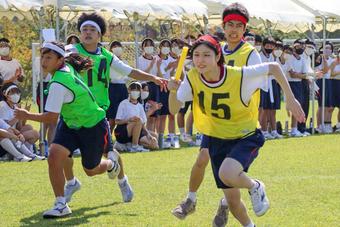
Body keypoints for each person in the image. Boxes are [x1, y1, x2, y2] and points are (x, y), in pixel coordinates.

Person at [168, 34, 305, 227]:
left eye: (206, 55)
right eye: (196, 55)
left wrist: (290, 99)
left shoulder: (238, 74)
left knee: (227, 173)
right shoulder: (192, 77)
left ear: (217, 56)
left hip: (245, 136)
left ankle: (255, 186)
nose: (200, 60)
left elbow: (274, 68)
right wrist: (173, 90)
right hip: (217, 139)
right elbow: (174, 109)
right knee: (232, 200)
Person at [171, 3, 262, 226]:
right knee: (203, 158)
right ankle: (191, 199)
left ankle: (225, 201)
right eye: (229, 24)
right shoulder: (212, 50)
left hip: (239, 124)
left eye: (238, 26)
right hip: (213, 121)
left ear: (245, 29)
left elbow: (253, 88)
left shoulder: (250, 54)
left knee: (227, 174)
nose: (233, 29)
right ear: (223, 25)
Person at [14, 42, 121, 218]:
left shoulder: (58, 83)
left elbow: (50, 118)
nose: (44, 61)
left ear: (59, 60)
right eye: (43, 57)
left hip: (93, 126)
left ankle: (111, 164)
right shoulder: (64, 68)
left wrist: (25, 114)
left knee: (91, 170)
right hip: (72, 124)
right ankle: (61, 204)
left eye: (49, 57)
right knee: (54, 156)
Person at [72, 13, 167, 203]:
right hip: (73, 110)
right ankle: (67, 186)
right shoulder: (71, 51)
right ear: (79, 33)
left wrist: (152, 78)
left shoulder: (107, 56)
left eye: (92, 30)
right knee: (60, 151)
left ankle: (123, 180)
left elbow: (130, 71)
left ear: (100, 35)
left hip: (97, 112)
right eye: (84, 30)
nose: (88, 33)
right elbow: (53, 56)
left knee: (108, 151)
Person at [114, 82, 158, 151]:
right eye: (134, 90)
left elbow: (142, 124)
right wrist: (128, 120)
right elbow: (117, 121)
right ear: (129, 90)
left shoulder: (140, 106)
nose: (136, 92)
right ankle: (134, 146)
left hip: (137, 130)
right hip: (123, 131)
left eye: (138, 90)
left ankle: (130, 145)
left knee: (154, 143)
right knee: (138, 120)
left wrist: (148, 134)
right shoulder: (123, 103)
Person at [0, 83, 40, 150]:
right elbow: (5, 127)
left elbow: (19, 127)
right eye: (12, 92)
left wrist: (23, 116)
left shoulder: (15, 106)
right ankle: (27, 152)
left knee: (29, 127)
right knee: (35, 133)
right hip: (8, 134)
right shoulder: (3, 106)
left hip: (15, 132)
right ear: (6, 94)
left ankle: (26, 152)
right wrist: (18, 116)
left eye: (17, 92)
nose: (15, 95)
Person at [288, 39, 309, 137]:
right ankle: (293, 129)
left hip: (299, 84)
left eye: (302, 46)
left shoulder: (302, 59)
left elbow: (304, 74)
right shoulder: (290, 58)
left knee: (299, 106)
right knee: (294, 106)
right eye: (298, 46)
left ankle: (295, 128)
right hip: (291, 84)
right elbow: (292, 75)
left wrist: (300, 75)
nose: (300, 48)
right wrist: (301, 75)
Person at [107, 41, 129, 133]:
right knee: (112, 116)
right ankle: (109, 139)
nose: (117, 48)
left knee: (123, 114)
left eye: (118, 46)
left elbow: (126, 77)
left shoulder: (124, 62)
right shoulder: (108, 61)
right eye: (114, 46)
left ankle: (121, 137)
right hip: (112, 88)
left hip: (122, 88)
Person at [259, 37, 277, 140]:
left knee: (270, 109)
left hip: (270, 83)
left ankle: (270, 130)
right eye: (267, 45)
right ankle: (263, 130)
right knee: (263, 109)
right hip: (262, 84)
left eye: (271, 45)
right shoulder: (260, 56)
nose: (269, 47)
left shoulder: (271, 56)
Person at [330, 48, 340, 132]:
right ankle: (327, 124)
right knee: (332, 107)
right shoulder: (334, 62)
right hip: (334, 84)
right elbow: (330, 74)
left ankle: (338, 124)